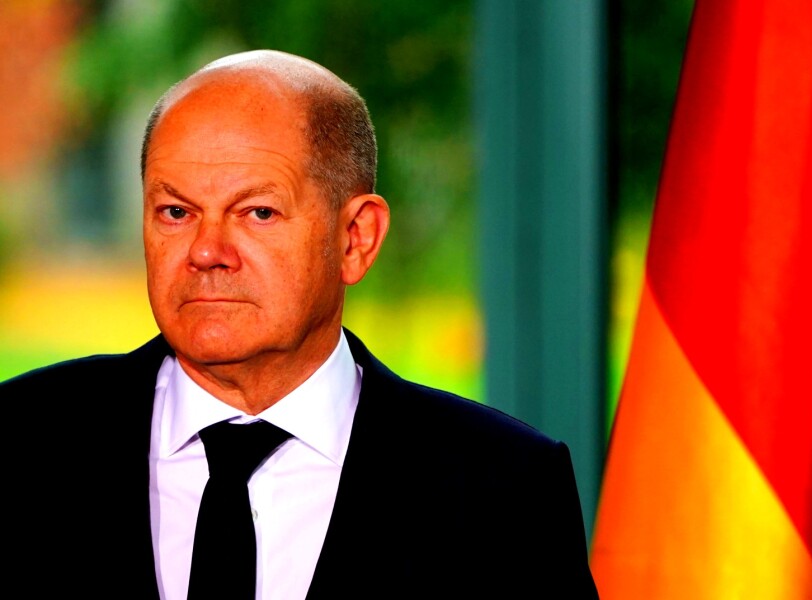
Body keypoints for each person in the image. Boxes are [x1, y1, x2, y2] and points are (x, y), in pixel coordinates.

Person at [0, 50, 598, 599]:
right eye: (176, 211)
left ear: (356, 238)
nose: (206, 251)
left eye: (258, 212)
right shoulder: (17, 441)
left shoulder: (503, 486)